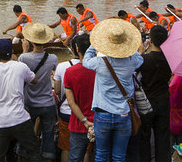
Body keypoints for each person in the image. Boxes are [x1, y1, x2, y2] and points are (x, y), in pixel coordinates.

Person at [83, 19, 144, 162]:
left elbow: (85, 60)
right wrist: (130, 46)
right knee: (119, 156)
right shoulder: (131, 62)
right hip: (123, 114)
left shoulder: (99, 63)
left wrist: (94, 44)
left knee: (101, 154)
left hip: (102, 114)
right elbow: (139, 58)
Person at [0, 39, 41, 162]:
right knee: (33, 152)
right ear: (12, 51)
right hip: (20, 119)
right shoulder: (20, 66)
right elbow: (35, 80)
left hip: (0, 122)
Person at [19, 23, 59, 162]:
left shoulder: (24, 58)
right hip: (47, 103)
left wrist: (24, 50)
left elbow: (19, 71)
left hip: (29, 103)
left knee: (26, 136)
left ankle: (25, 158)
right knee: (48, 136)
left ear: (30, 41)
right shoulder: (53, 58)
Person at [136, 25, 172, 162]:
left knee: (145, 136)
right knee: (163, 136)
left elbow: (135, 75)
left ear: (150, 40)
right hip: (163, 100)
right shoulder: (170, 59)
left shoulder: (144, 59)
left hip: (146, 102)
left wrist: (140, 52)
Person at [64, 34, 96, 162]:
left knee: (75, 158)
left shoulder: (70, 71)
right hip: (100, 122)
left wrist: (84, 121)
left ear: (77, 49)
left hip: (78, 123)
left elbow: (71, 102)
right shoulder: (101, 69)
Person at [53, 39, 82, 162]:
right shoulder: (93, 66)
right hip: (85, 112)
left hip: (66, 112)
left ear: (72, 49)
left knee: (66, 146)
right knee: (85, 148)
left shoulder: (62, 66)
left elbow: (58, 91)